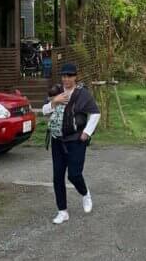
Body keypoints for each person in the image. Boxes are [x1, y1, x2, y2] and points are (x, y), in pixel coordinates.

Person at [41, 62, 100, 225]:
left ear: (75, 77)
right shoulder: (57, 91)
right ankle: (62, 211)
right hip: (57, 140)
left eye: (69, 76)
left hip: (75, 141)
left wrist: (87, 132)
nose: (66, 79)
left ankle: (85, 194)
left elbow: (95, 113)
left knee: (74, 174)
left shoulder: (82, 94)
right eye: (64, 76)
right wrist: (54, 102)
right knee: (57, 177)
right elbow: (44, 110)